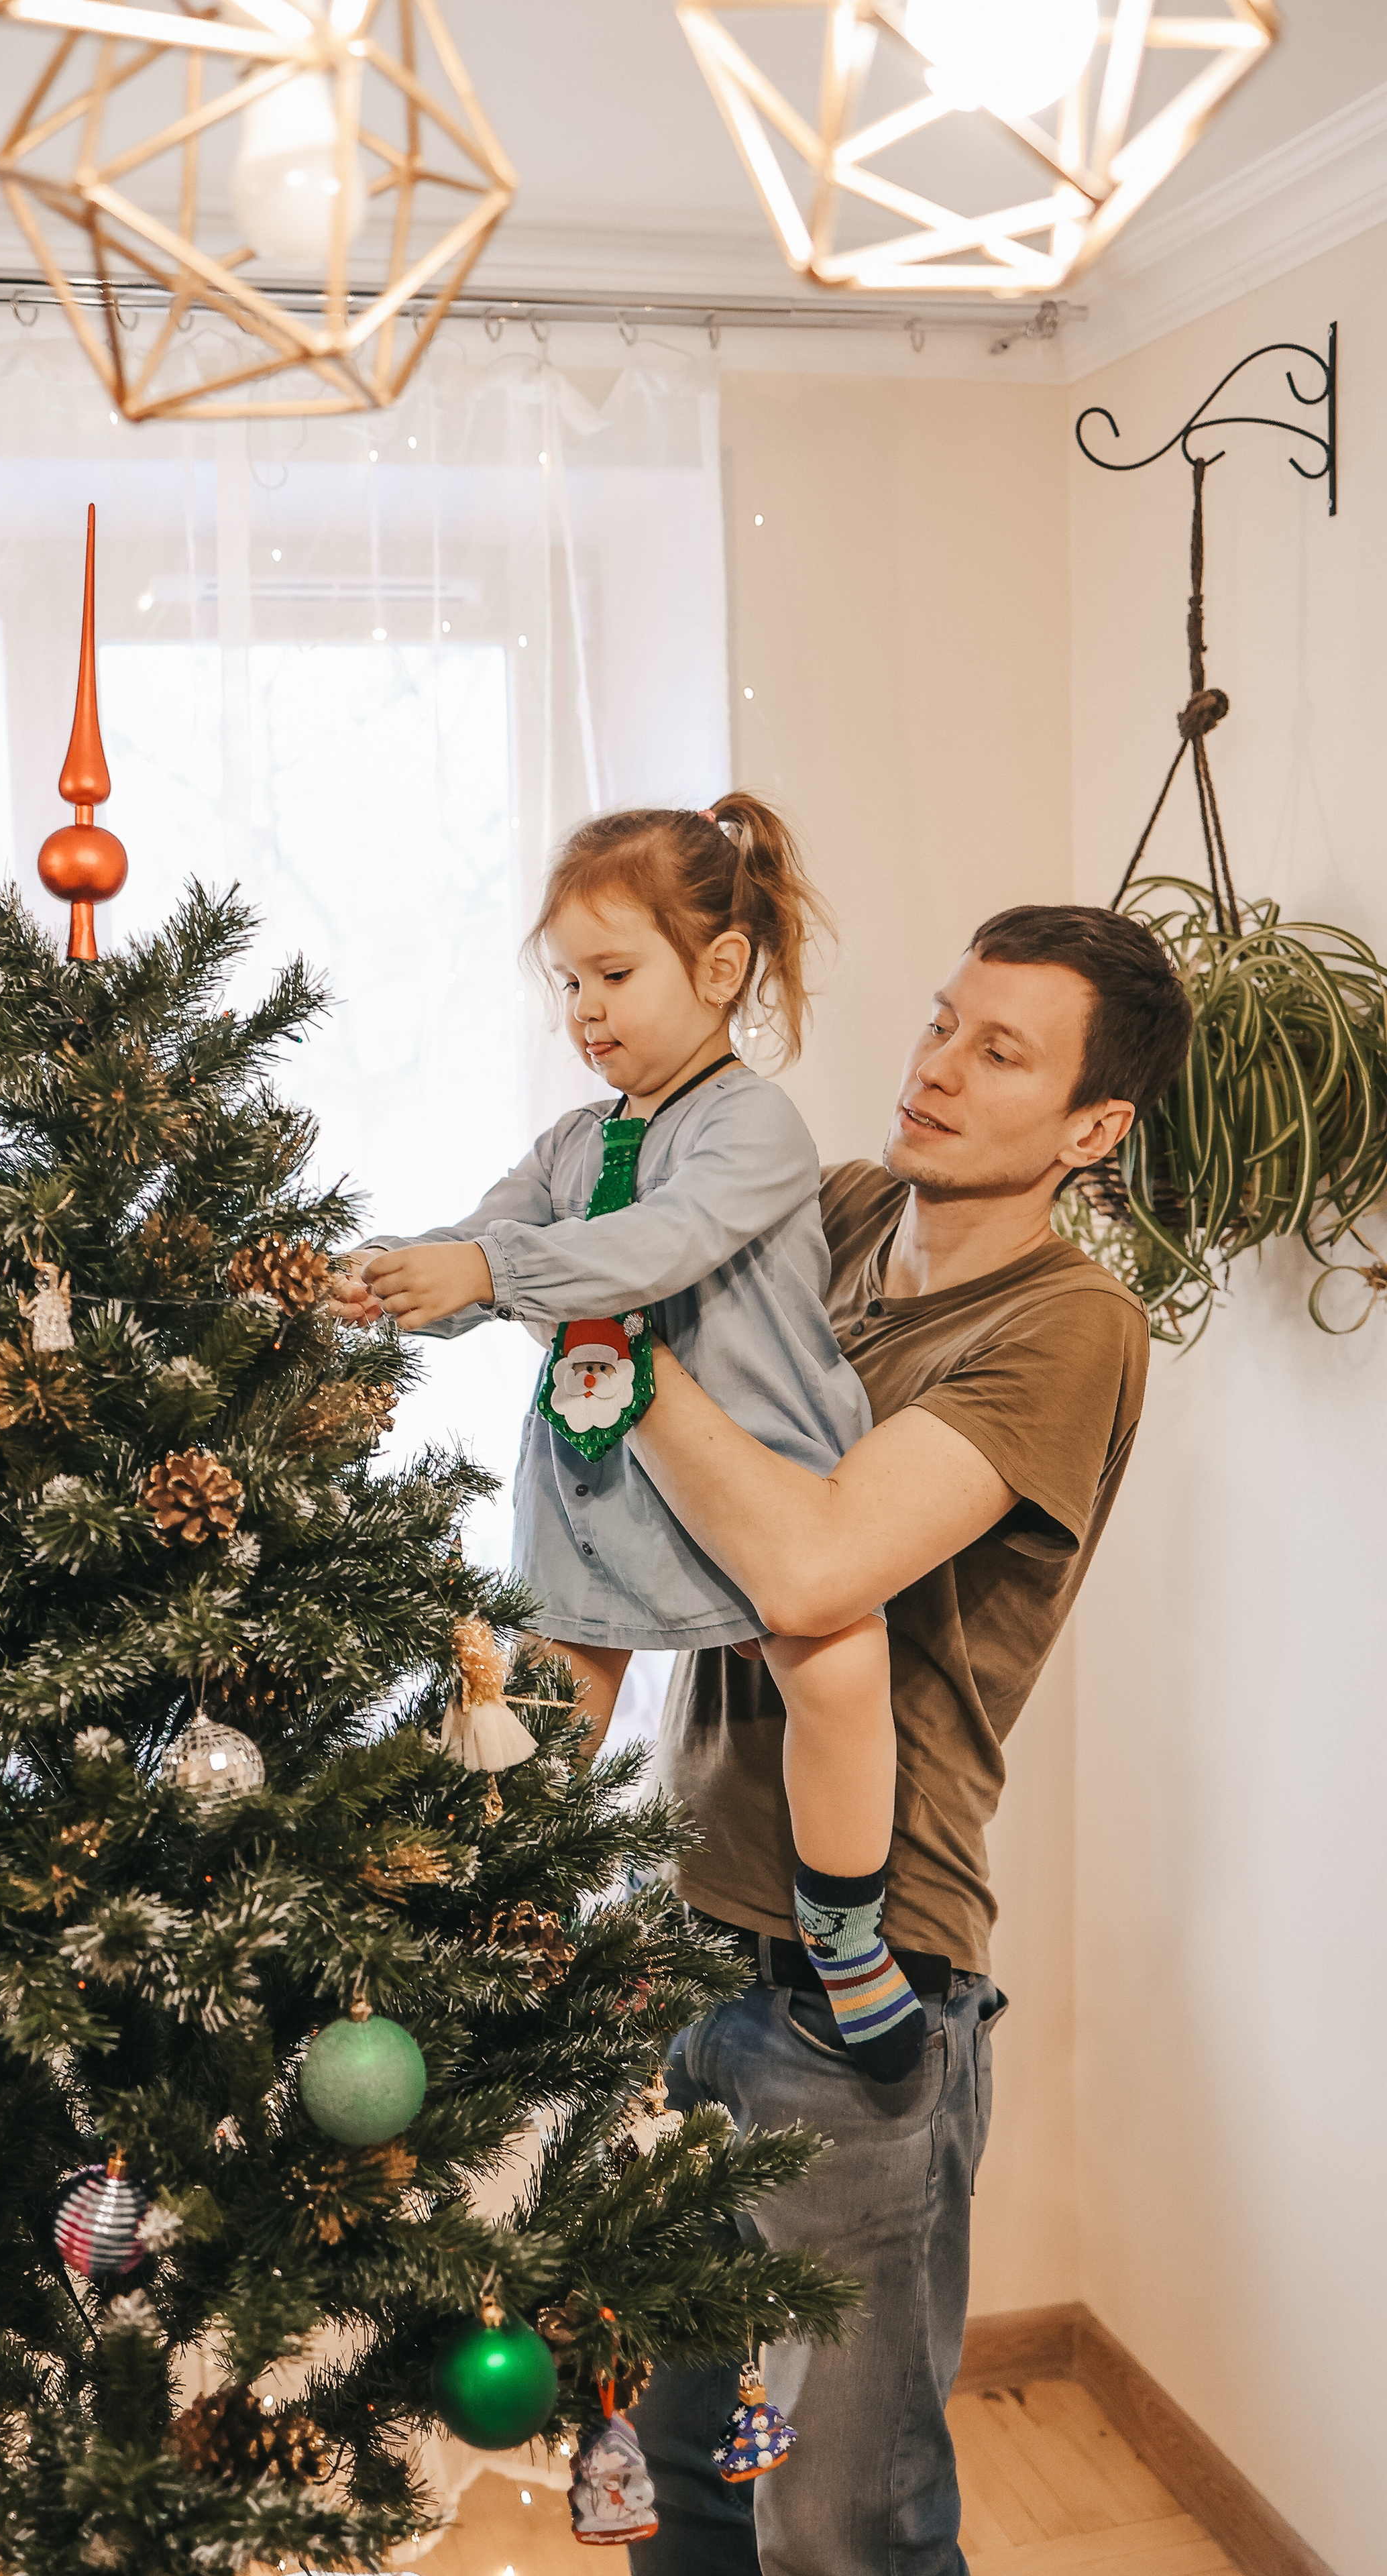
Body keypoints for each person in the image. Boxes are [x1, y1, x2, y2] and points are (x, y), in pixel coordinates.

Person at [615, 903, 1195, 2576]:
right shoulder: (854, 1213)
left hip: (855, 1995)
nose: (932, 1065)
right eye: (941, 1021)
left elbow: (809, 1562)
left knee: (837, 2521)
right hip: (691, 1930)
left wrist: (618, 1359)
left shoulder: (1068, 1327)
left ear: (1093, 1130)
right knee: (692, 2476)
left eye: (996, 1051)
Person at [331, 797, 924, 2078]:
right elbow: (488, 1243)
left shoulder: (750, 1125)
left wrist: (486, 1270)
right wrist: (390, 1279)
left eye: (613, 974)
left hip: (752, 1479)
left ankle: (844, 1926)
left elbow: (653, 1245)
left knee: (837, 1665)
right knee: (539, 1715)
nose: (586, 1010)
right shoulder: (571, 1143)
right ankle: (484, 1923)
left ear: (718, 971)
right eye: (568, 984)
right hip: (599, 1488)